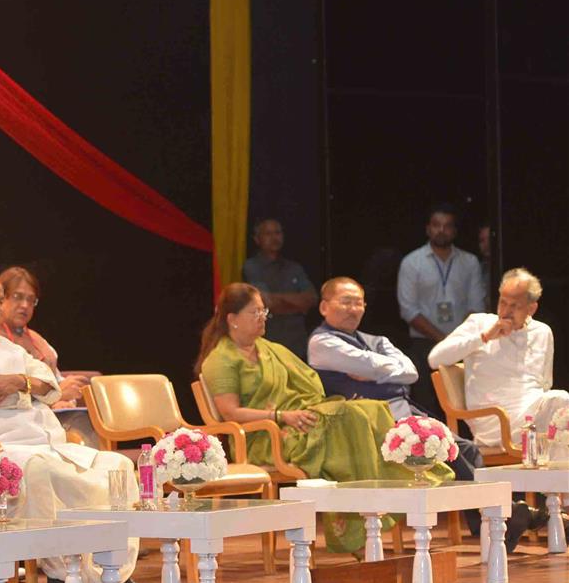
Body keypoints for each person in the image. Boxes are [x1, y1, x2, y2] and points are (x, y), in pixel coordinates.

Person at [0, 269, 155, 583]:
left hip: (48, 440)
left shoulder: (8, 346)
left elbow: (48, 383)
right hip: (2, 445)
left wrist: (23, 383)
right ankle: (58, 578)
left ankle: (113, 574)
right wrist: (30, 387)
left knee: (117, 466)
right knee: (39, 468)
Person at [198, 282, 454, 553]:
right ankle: (366, 517)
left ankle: (399, 489)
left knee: (369, 409)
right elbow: (230, 413)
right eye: (255, 313)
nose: (263, 318)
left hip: (301, 420)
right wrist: (281, 414)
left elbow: (310, 384)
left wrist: (300, 410)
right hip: (267, 436)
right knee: (349, 416)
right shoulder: (220, 359)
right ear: (232, 319)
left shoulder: (271, 349)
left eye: (264, 312)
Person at [307, 276, 537, 550]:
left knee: (466, 449)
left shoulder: (375, 340)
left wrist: (375, 372)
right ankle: (505, 515)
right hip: (367, 424)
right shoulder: (322, 342)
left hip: (404, 414)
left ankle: (491, 527)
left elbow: (411, 372)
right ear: (324, 307)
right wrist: (386, 370)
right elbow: (379, 366)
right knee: (449, 454)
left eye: (358, 303)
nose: (353, 309)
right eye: (346, 302)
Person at [429, 268, 568, 448]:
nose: (506, 311)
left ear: (531, 308)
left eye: (514, 306)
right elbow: (434, 359)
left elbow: (545, 382)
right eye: (503, 302)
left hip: (532, 417)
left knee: (560, 408)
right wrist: (484, 337)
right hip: (495, 419)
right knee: (561, 402)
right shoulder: (480, 323)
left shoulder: (542, 332)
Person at [396, 204, 483, 414]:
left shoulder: (469, 262)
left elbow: (476, 305)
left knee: (464, 401)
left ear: (454, 230)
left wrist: (457, 339)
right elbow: (408, 310)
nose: (441, 230)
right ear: (428, 229)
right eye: (437, 225)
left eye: (447, 226)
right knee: (428, 403)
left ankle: (463, 445)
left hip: (463, 344)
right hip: (424, 344)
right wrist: (444, 340)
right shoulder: (412, 262)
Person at [0, 266, 94, 443]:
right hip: (16, 425)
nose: (24, 305)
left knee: (87, 421)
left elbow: (57, 383)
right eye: (18, 297)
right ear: (0, 298)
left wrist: (66, 394)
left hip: (52, 415)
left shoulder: (39, 342)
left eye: (31, 300)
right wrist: (56, 396)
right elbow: (1, 396)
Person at [242, 217, 318, 360]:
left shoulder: (294, 268)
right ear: (257, 239)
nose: (274, 238)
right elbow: (266, 302)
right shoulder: (252, 266)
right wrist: (297, 305)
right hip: (269, 340)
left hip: (297, 343)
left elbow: (312, 299)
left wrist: (279, 299)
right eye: (268, 234)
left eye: (277, 233)